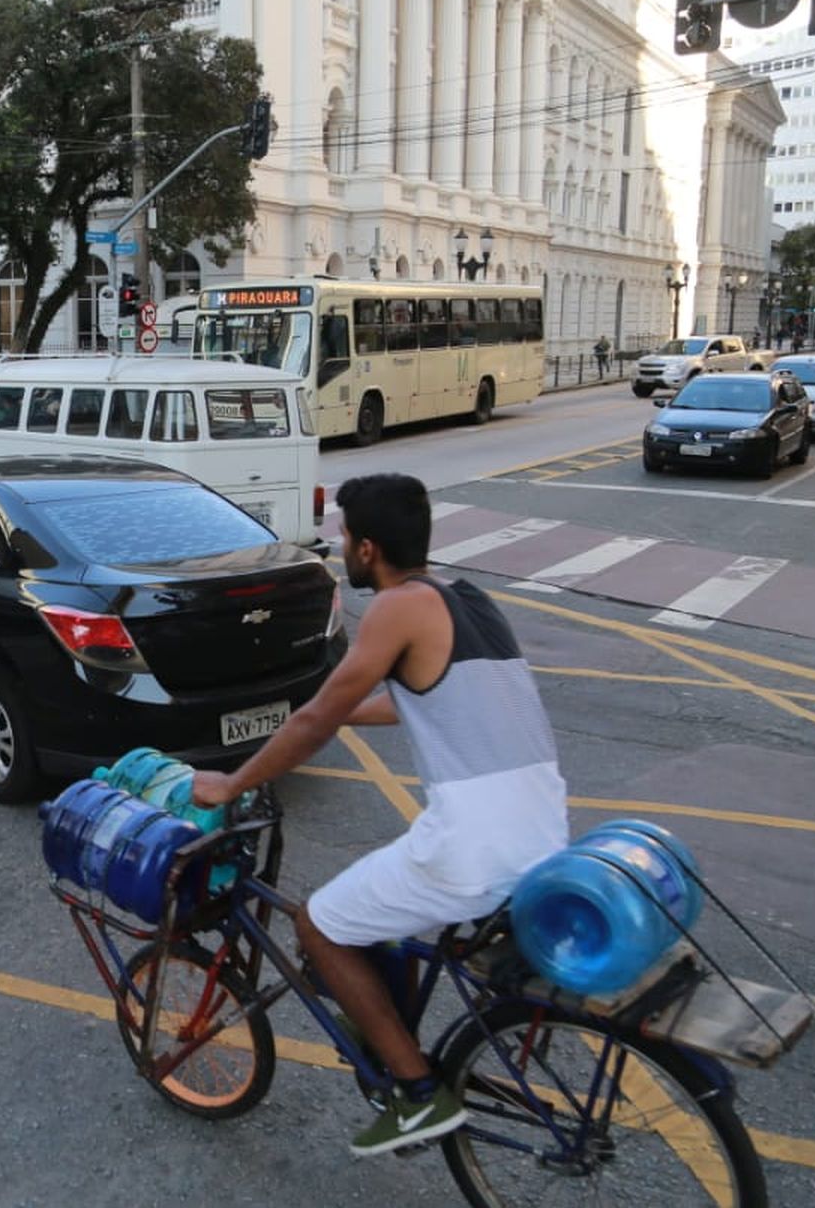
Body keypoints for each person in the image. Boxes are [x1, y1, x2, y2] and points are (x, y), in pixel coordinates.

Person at [190, 473, 568, 1158]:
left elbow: (317, 718)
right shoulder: (468, 602)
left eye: (341, 537)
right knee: (382, 909)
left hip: (473, 845)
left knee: (319, 925)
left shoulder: (400, 607)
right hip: (543, 835)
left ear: (368, 547)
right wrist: (318, 720)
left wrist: (237, 780)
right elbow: (419, 702)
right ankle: (398, 1037)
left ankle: (418, 1092)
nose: (337, 547)